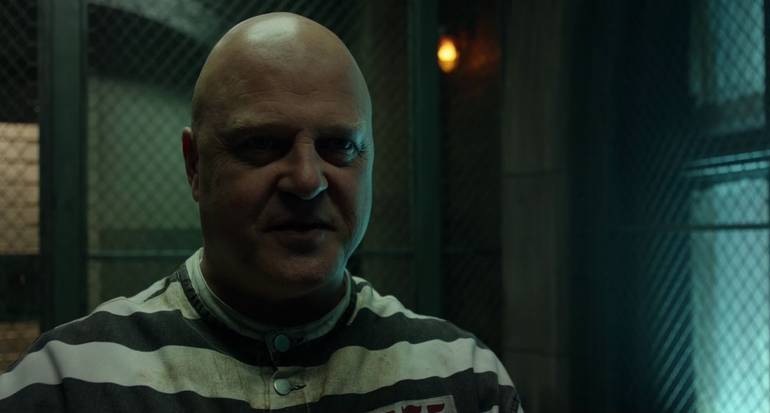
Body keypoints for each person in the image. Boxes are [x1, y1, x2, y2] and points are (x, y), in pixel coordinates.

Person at [0, 12, 522, 412]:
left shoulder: (464, 380)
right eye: (263, 144)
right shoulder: (66, 385)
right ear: (195, 165)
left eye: (339, 146)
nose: (307, 180)